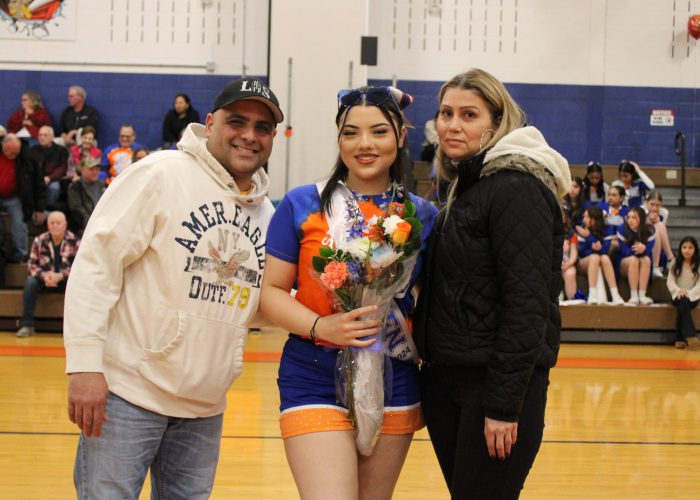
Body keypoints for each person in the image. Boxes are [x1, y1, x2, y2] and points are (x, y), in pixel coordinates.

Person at [63, 77, 282, 498]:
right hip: (127, 393)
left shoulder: (266, 214)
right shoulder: (159, 173)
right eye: (238, 122)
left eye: (263, 127)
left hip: (205, 407)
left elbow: (255, 300)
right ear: (211, 122)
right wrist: (85, 365)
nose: (249, 136)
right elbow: (96, 265)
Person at [260, 85, 437, 499]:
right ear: (338, 138)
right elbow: (270, 292)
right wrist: (323, 326)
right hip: (312, 371)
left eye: (378, 131)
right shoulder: (301, 203)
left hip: (395, 374)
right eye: (350, 132)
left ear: (400, 135)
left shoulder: (422, 215)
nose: (364, 144)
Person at [412, 68, 571, 499]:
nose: (453, 125)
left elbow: (527, 305)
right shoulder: (468, 186)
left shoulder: (517, 187)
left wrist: (503, 405)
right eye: (446, 113)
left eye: (469, 114)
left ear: (496, 123)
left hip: (494, 390)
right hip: (450, 384)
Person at [16, 211, 79, 338]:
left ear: (65, 225)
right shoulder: (39, 240)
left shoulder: (75, 241)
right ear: (48, 225)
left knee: (80, 284)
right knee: (30, 282)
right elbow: (32, 266)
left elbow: (80, 268)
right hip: (45, 280)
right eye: (52, 223)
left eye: (58, 223)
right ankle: (27, 325)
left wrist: (61, 275)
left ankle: (77, 328)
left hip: (66, 281)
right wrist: (45, 276)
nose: (55, 225)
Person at [0, 134, 46, 264]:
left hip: (13, 197)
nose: (13, 156)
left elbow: (39, 184)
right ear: (3, 146)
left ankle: (21, 253)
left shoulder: (27, 158)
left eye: (16, 153)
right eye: (10, 153)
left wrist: (39, 208)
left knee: (19, 222)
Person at [576, 206, 624, 305]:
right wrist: (590, 238)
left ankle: (615, 295)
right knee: (595, 257)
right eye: (583, 217)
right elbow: (582, 252)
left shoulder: (607, 229)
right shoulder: (580, 229)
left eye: (586, 217)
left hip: (600, 260)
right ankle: (592, 294)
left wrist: (590, 239)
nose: (583, 219)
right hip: (582, 263)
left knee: (604, 258)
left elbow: (605, 251)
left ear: (594, 219)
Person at [617, 206, 656, 305]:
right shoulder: (622, 228)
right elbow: (623, 250)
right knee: (634, 259)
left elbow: (649, 250)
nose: (630, 220)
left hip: (643, 262)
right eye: (628, 217)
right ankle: (634, 295)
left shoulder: (650, 230)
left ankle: (642, 295)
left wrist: (644, 249)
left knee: (646, 259)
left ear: (641, 219)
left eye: (634, 217)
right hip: (625, 263)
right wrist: (637, 250)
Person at [667, 237, 700, 350]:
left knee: (684, 303)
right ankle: (690, 335)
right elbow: (670, 281)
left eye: (690, 247)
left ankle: (679, 339)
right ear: (680, 249)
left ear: (695, 249)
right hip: (677, 295)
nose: (687, 250)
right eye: (684, 247)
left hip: (693, 296)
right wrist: (678, 291)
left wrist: (689, 292)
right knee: (682, 301)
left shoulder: (698, 264)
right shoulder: (675, 262)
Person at [31, 126, 69, 209]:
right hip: (36, 179)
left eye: (45, 135)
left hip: (53, 179)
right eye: (40, 135)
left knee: (54, 188)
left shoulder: (61, 150)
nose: (42, 137)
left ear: (52, 137)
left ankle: (47, 209)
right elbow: (30, 167)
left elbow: (63, 168)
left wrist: (49, 178)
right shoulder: (33, 150)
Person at [67, 157, 106, 236]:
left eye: (97, 169)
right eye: (91, 169)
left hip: (103, 224)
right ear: (82, 170)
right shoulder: (75, 187)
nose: (95, 172)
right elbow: (77, 210)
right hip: (83, 227)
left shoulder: (103, 185)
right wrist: (92, 224)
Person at [644, 190, 674, 278]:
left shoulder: (664, 213)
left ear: (661, 205)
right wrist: (648, 221)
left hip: (657, 240)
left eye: (658, 205)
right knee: (656, 231)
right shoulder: (641, 210)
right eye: (652, 204)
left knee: (658, 228)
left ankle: (658, 265)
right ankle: (670, 259)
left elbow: (662, 231)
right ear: (646, 203)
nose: (654, 208)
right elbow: (640, 229)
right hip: (642, 238)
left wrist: (657, 221)